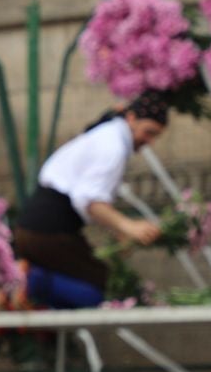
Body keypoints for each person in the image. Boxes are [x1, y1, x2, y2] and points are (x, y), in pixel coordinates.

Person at [13, 95, 168, 310]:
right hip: (48, 233)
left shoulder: (106, 136)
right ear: (131, 118)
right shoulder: (113, 145)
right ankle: (32, 281)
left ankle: (36, 287)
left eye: (155, 136)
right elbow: (90, 199)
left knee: (80, 294)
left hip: (34, 231)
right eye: (149, 132)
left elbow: (86, 195)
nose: (149, 141)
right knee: (99, 290)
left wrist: (119, 232)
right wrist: (129, 227)